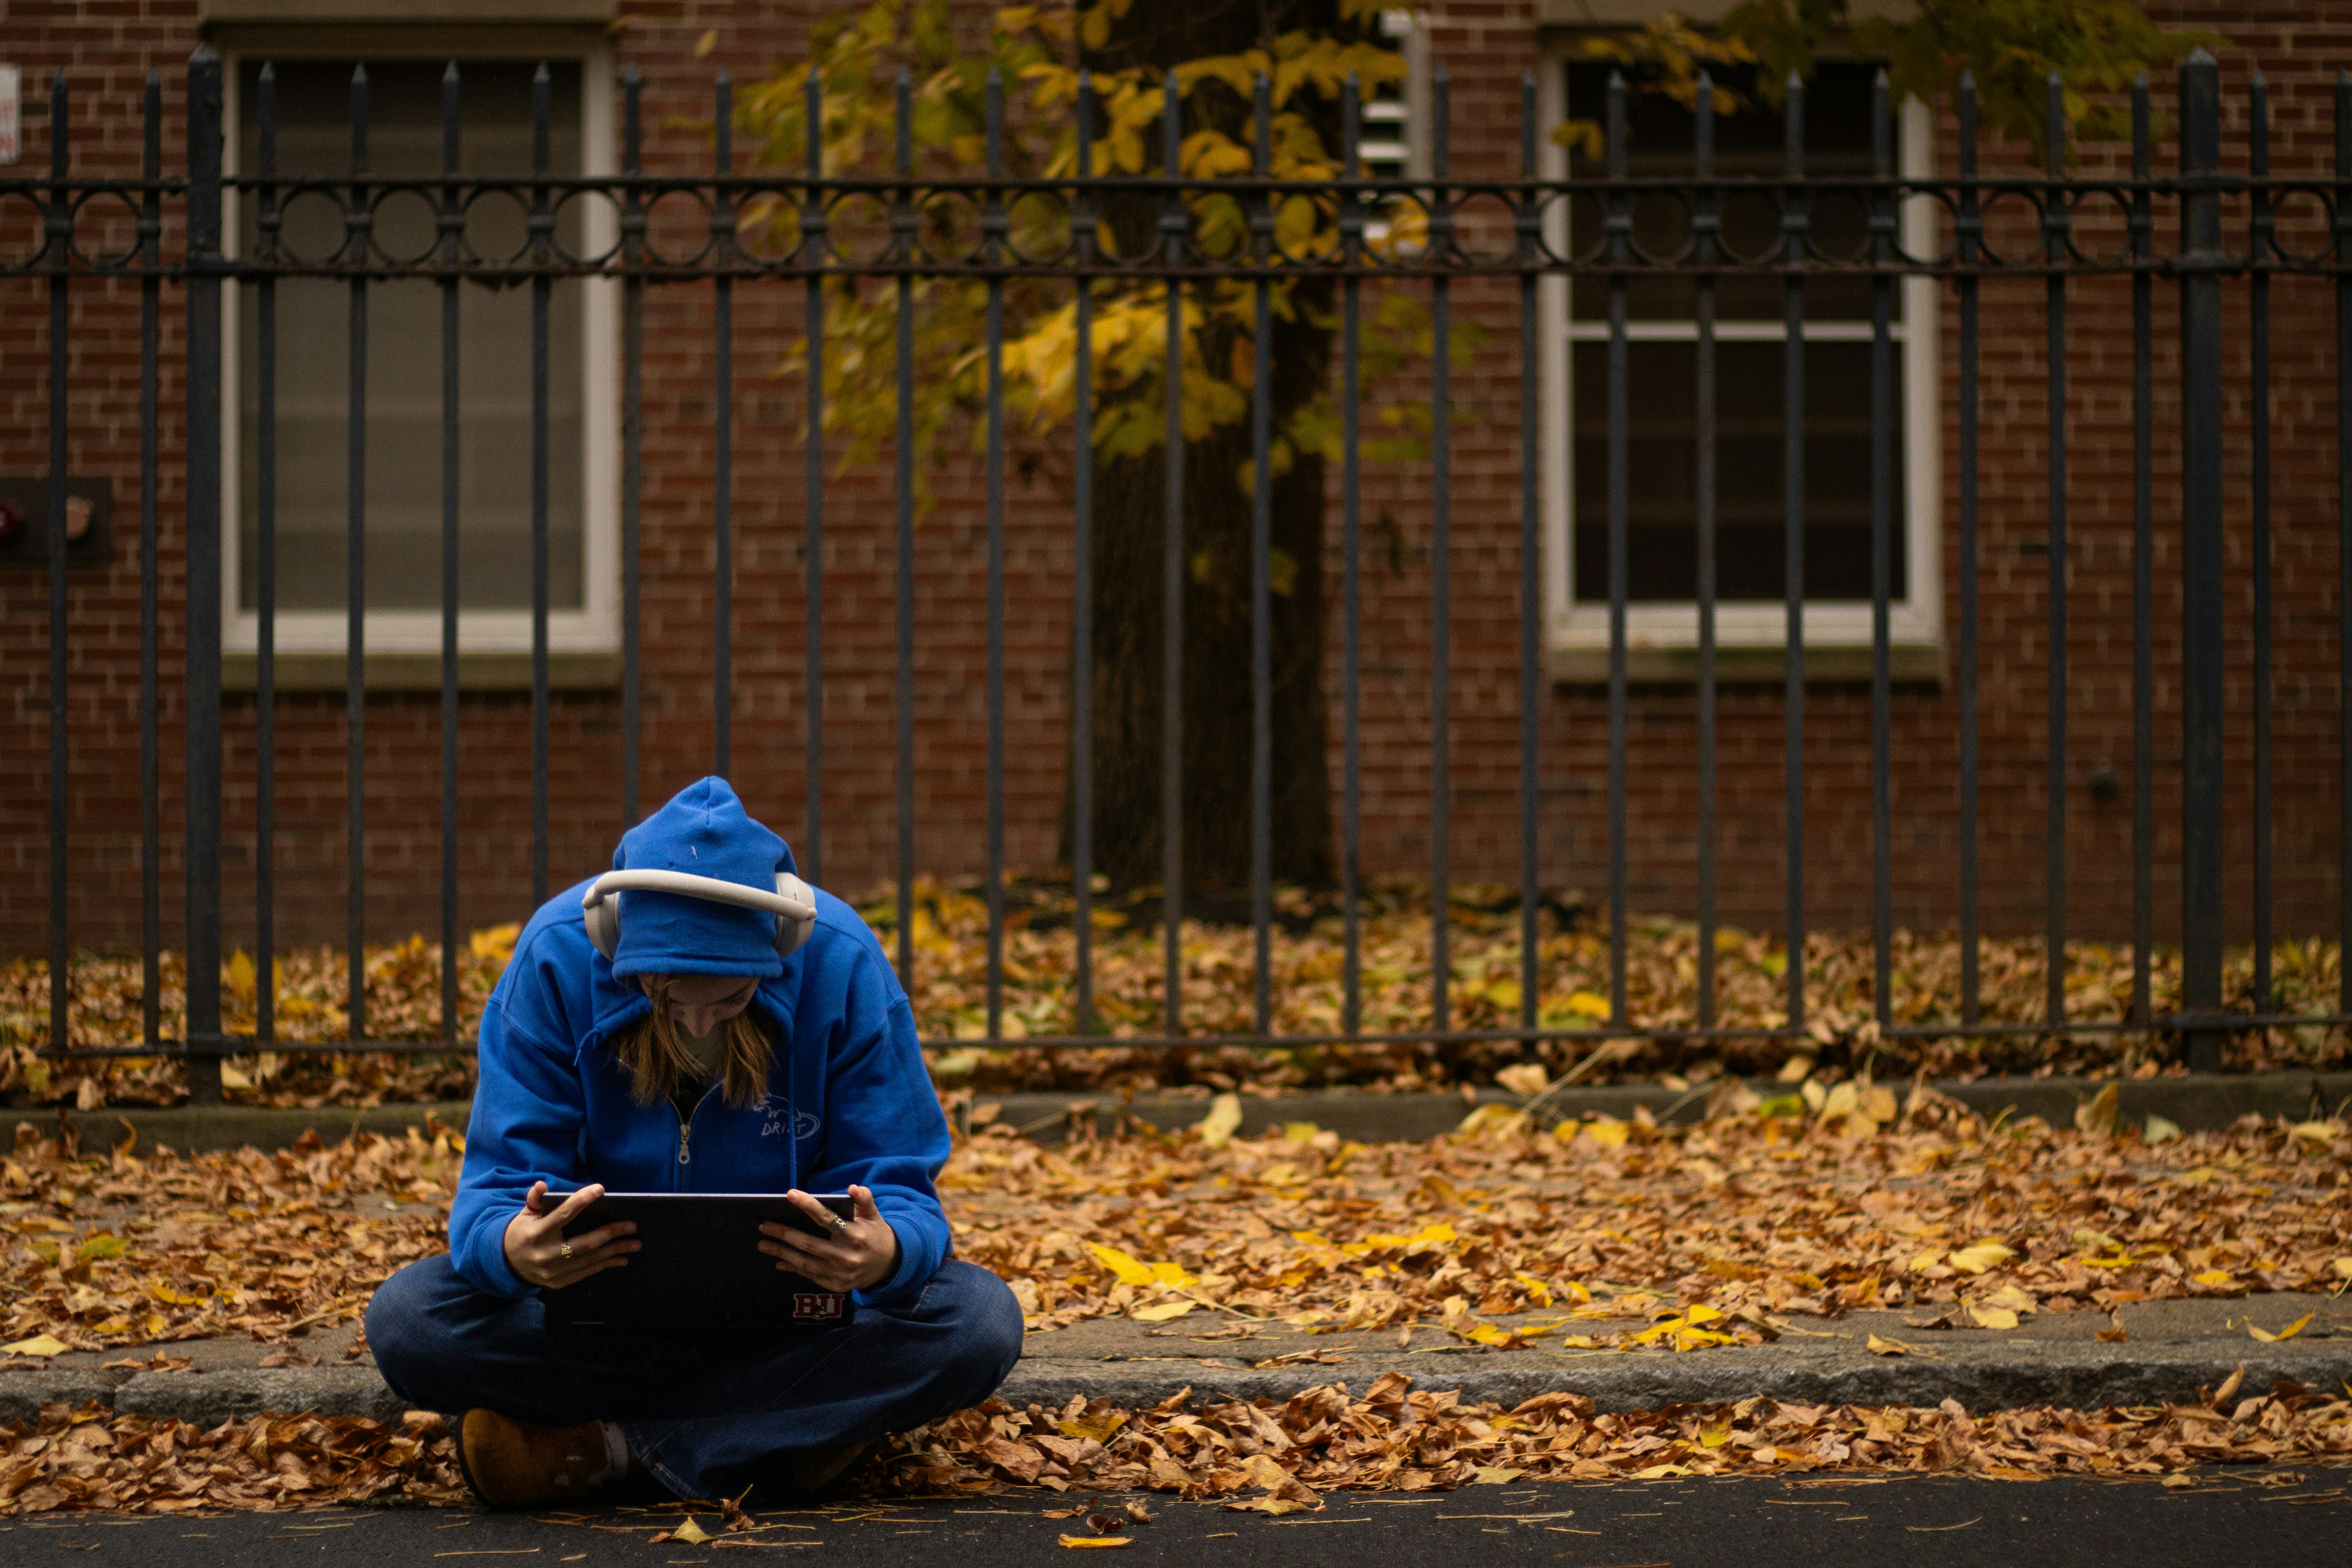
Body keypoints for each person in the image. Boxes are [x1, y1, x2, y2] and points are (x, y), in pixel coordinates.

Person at [365, 777, 1023, 1507]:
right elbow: (494, 1191)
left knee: (978, 1322)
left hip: (792, 1321)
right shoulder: (554, 958)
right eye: (671, 996)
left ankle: (612, 1450)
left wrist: (886, 1251)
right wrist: (512, 1246)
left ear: (782, 947)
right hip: (605, 1325)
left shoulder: (841, 961)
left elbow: (903, 1186)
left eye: (733, 998)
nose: (701, 1024)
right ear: (621, 947)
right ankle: (783, 1429)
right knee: (409, 1320)